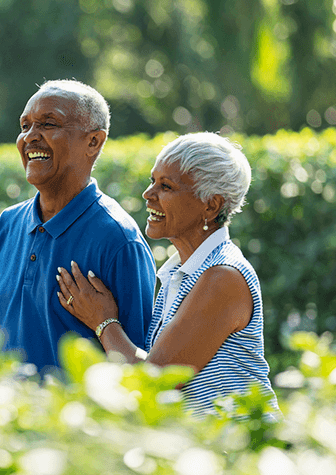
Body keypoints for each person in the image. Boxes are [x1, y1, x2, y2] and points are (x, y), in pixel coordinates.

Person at [56, 132, 280, 417]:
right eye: (153, 181)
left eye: (166, 186)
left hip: (240, 450)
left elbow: (154, 382)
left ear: (210, 205)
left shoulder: (222, 277)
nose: (148, 195)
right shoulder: (182, 273)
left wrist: (103, 321)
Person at [0, 80, 156, 379]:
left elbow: (138, 371)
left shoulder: (119, 240)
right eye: (25, 125)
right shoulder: (5, 227)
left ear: (94, 142)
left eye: (48, 123)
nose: (30, 137)